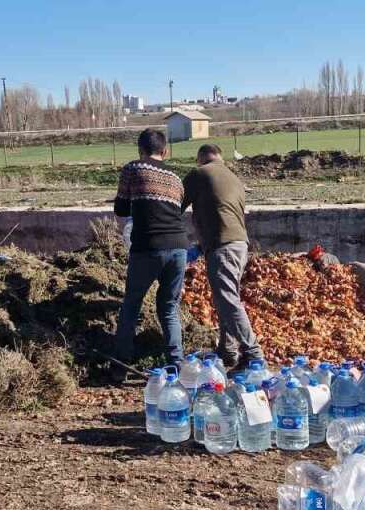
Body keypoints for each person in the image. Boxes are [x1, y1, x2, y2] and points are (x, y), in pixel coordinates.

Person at [182, 144, 264, 371]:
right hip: (239, 245)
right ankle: (227, 351)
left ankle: (254, 354)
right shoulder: (233, 177)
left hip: (223, 247)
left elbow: (175, 205)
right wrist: (202, 244)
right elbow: (223, 212)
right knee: (226, 299)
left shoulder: (200, 173)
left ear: (200, 159)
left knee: (228, 300)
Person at [113, 129, 188, 376]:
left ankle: (121, 366)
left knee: (131, 305)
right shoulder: (176, 178)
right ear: (165, 151)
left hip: (148, 248)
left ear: (140, 150)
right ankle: (177, 365)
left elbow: (121, 210)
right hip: (178, 248)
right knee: (168, 307)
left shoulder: (132, 169)